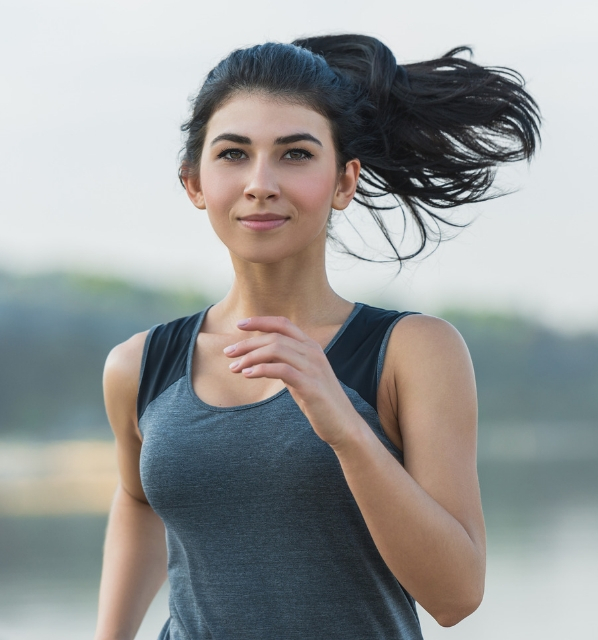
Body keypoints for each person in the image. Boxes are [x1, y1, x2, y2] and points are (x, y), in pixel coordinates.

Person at [94, 35, 540, 640]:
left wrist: (345, 428)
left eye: (296, 154)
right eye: (232, 154)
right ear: (194, 183)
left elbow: (456, 596)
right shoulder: (140, 365)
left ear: (344, 182)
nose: (260, 182)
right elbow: (139, 500)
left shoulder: (411, 352)